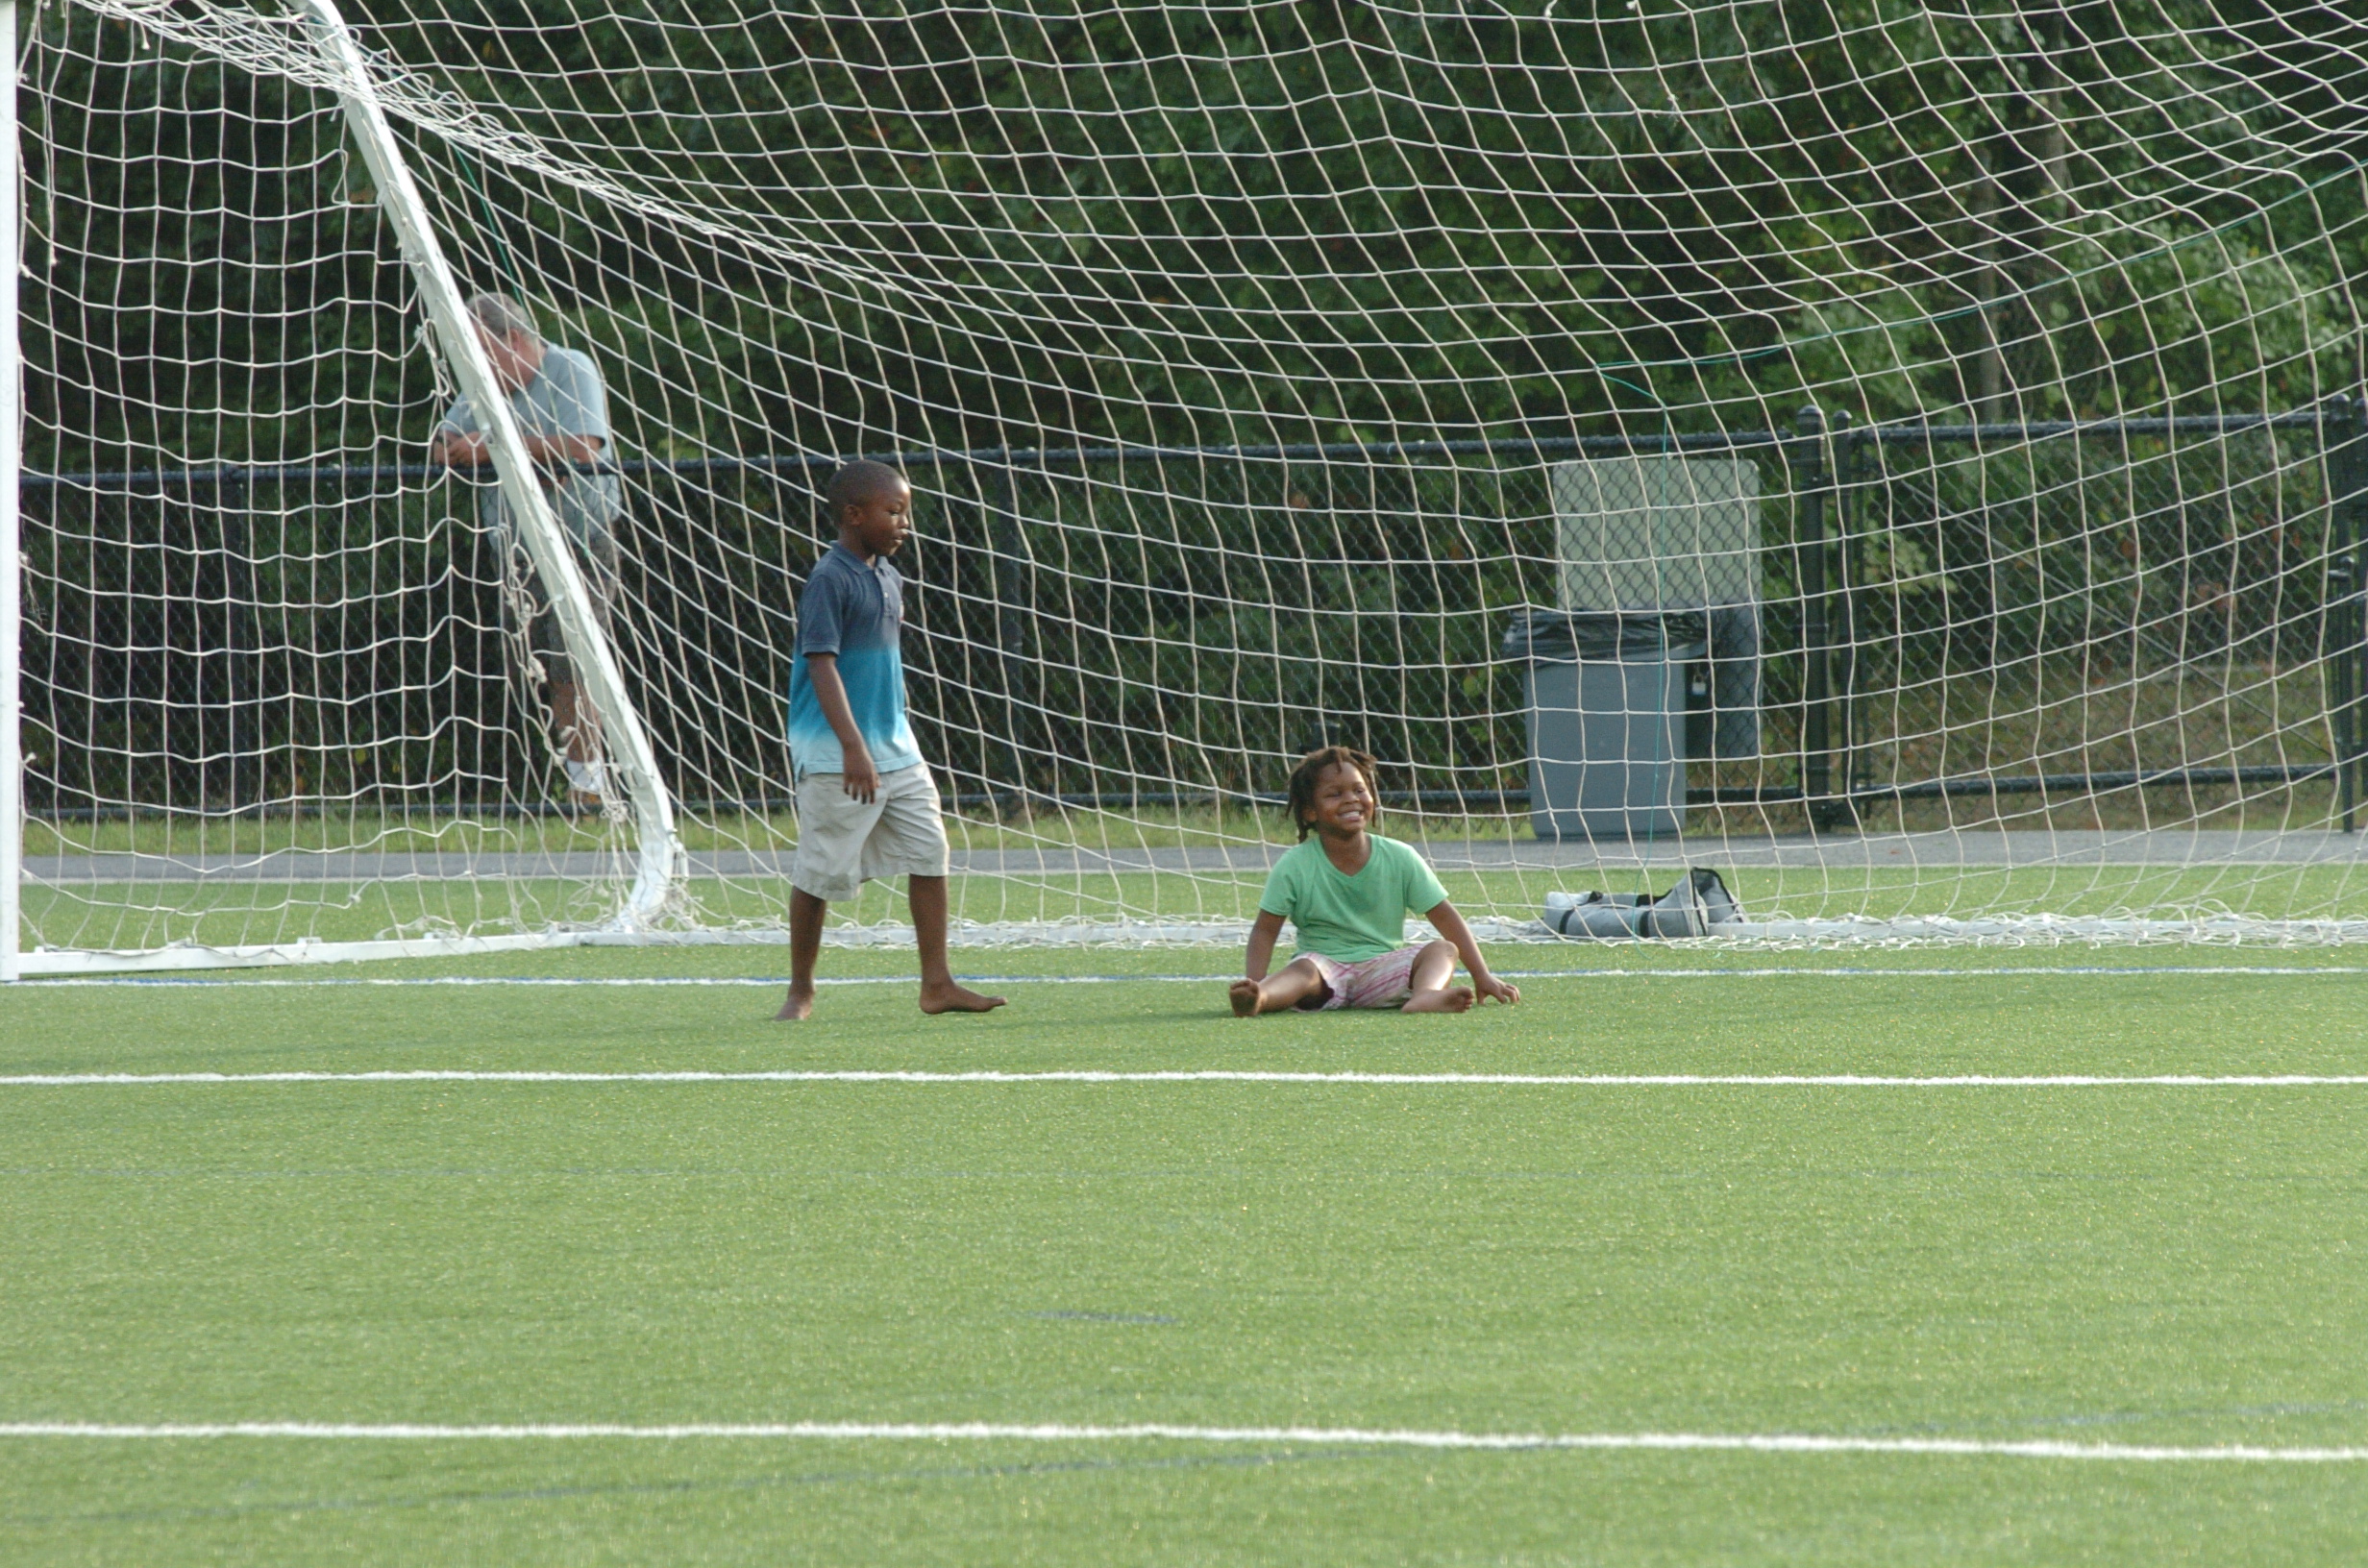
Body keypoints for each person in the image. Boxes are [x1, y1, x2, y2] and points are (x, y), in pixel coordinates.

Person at [775, 460, 1006, 1022]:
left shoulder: (888, 575)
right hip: (836, 753)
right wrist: (853, 747)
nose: (905, 523)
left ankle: (938, 984)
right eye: (894, 511)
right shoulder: (829, 579)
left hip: (897, 748)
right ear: (854, 515)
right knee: (821, 873)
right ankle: (800, 990)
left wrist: (889, 732)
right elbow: (822, 665)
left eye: (906, 512)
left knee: (929, 851)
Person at [429, 294, 624, 807]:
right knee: (530, 666)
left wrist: (494, 445)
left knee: (575, 659)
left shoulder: (570, 368)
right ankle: (573, 778)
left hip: (580, 540)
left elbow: (584, 446)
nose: (475, 366)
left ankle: (591, 787)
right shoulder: (481, 384)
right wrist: (469, 448)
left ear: (514, 339)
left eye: (482, 351)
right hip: (515, 548)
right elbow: (443, 442)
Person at [1230, 746, 1520, 1017]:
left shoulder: (1400, 856)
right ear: (1309, 811)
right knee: (1301, 970)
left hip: (1384, 971)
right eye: (1335, 794)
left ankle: (1425, 995)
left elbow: (1444, 916)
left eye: (1360, 790)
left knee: (1443, 949)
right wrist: (1255, 980)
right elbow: (1265, 930)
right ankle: (1260, 997)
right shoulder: (1294, 864)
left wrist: (1481, 974)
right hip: (1322, 974)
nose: (1351, 799)